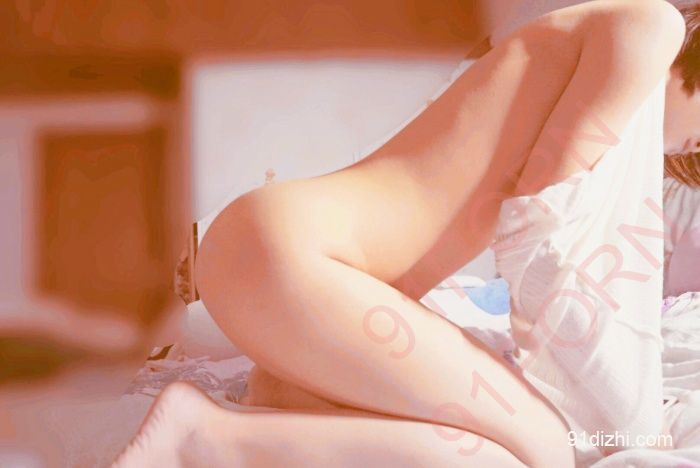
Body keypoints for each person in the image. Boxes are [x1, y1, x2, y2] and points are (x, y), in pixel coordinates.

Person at [114, 1, 693, 467]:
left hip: (284, 262)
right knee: (543, 452)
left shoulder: (588, 32)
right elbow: (548, 229)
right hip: (300, 257)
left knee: (505, 436)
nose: (692, 149)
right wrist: (625, 413)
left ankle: (269, 406)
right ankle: (203, 438)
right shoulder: (651, 24)